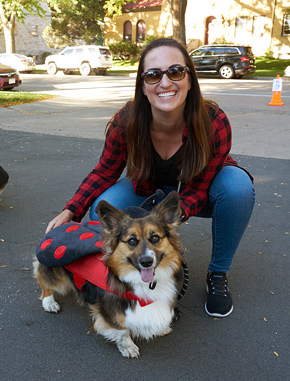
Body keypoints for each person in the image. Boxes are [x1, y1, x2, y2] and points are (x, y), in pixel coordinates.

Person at [46, 38, 255, 318]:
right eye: (154, 75)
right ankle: (118, 276)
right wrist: (71, 210)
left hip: (198, 192)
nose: (165, 83)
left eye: (176, 71)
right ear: (143, 86)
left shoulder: (214, 122)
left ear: (190, 79)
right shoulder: (126, 122)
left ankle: (217, 274)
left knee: (238, 187)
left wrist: (161, 224)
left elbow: (200, 188)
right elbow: (104, 171)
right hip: (146, 189)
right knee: (101, 210)